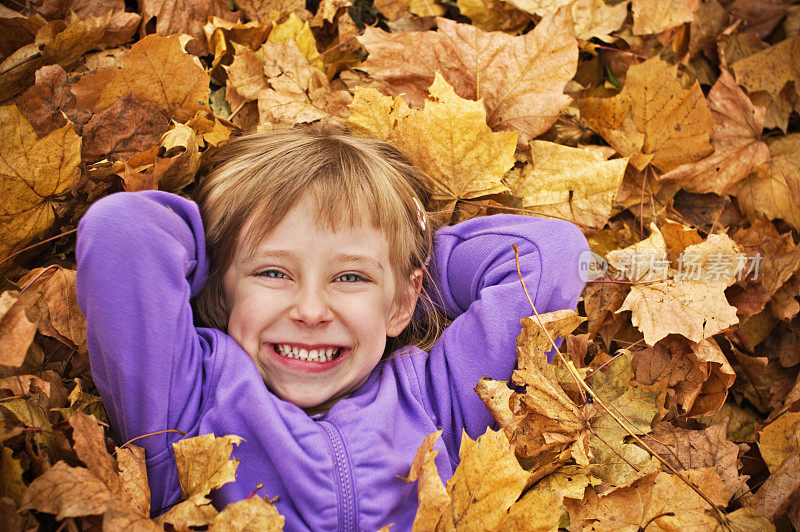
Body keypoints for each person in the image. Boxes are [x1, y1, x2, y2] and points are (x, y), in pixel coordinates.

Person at [76, 124, 589, 530]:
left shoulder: (443, 403)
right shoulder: (186, 406)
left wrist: (408, 273)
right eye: (272, 272)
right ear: (222, 285)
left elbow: (554, 255)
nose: (311, 309)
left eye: (350, 276)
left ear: (404, 299)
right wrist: (216, 256)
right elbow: (122, 232)